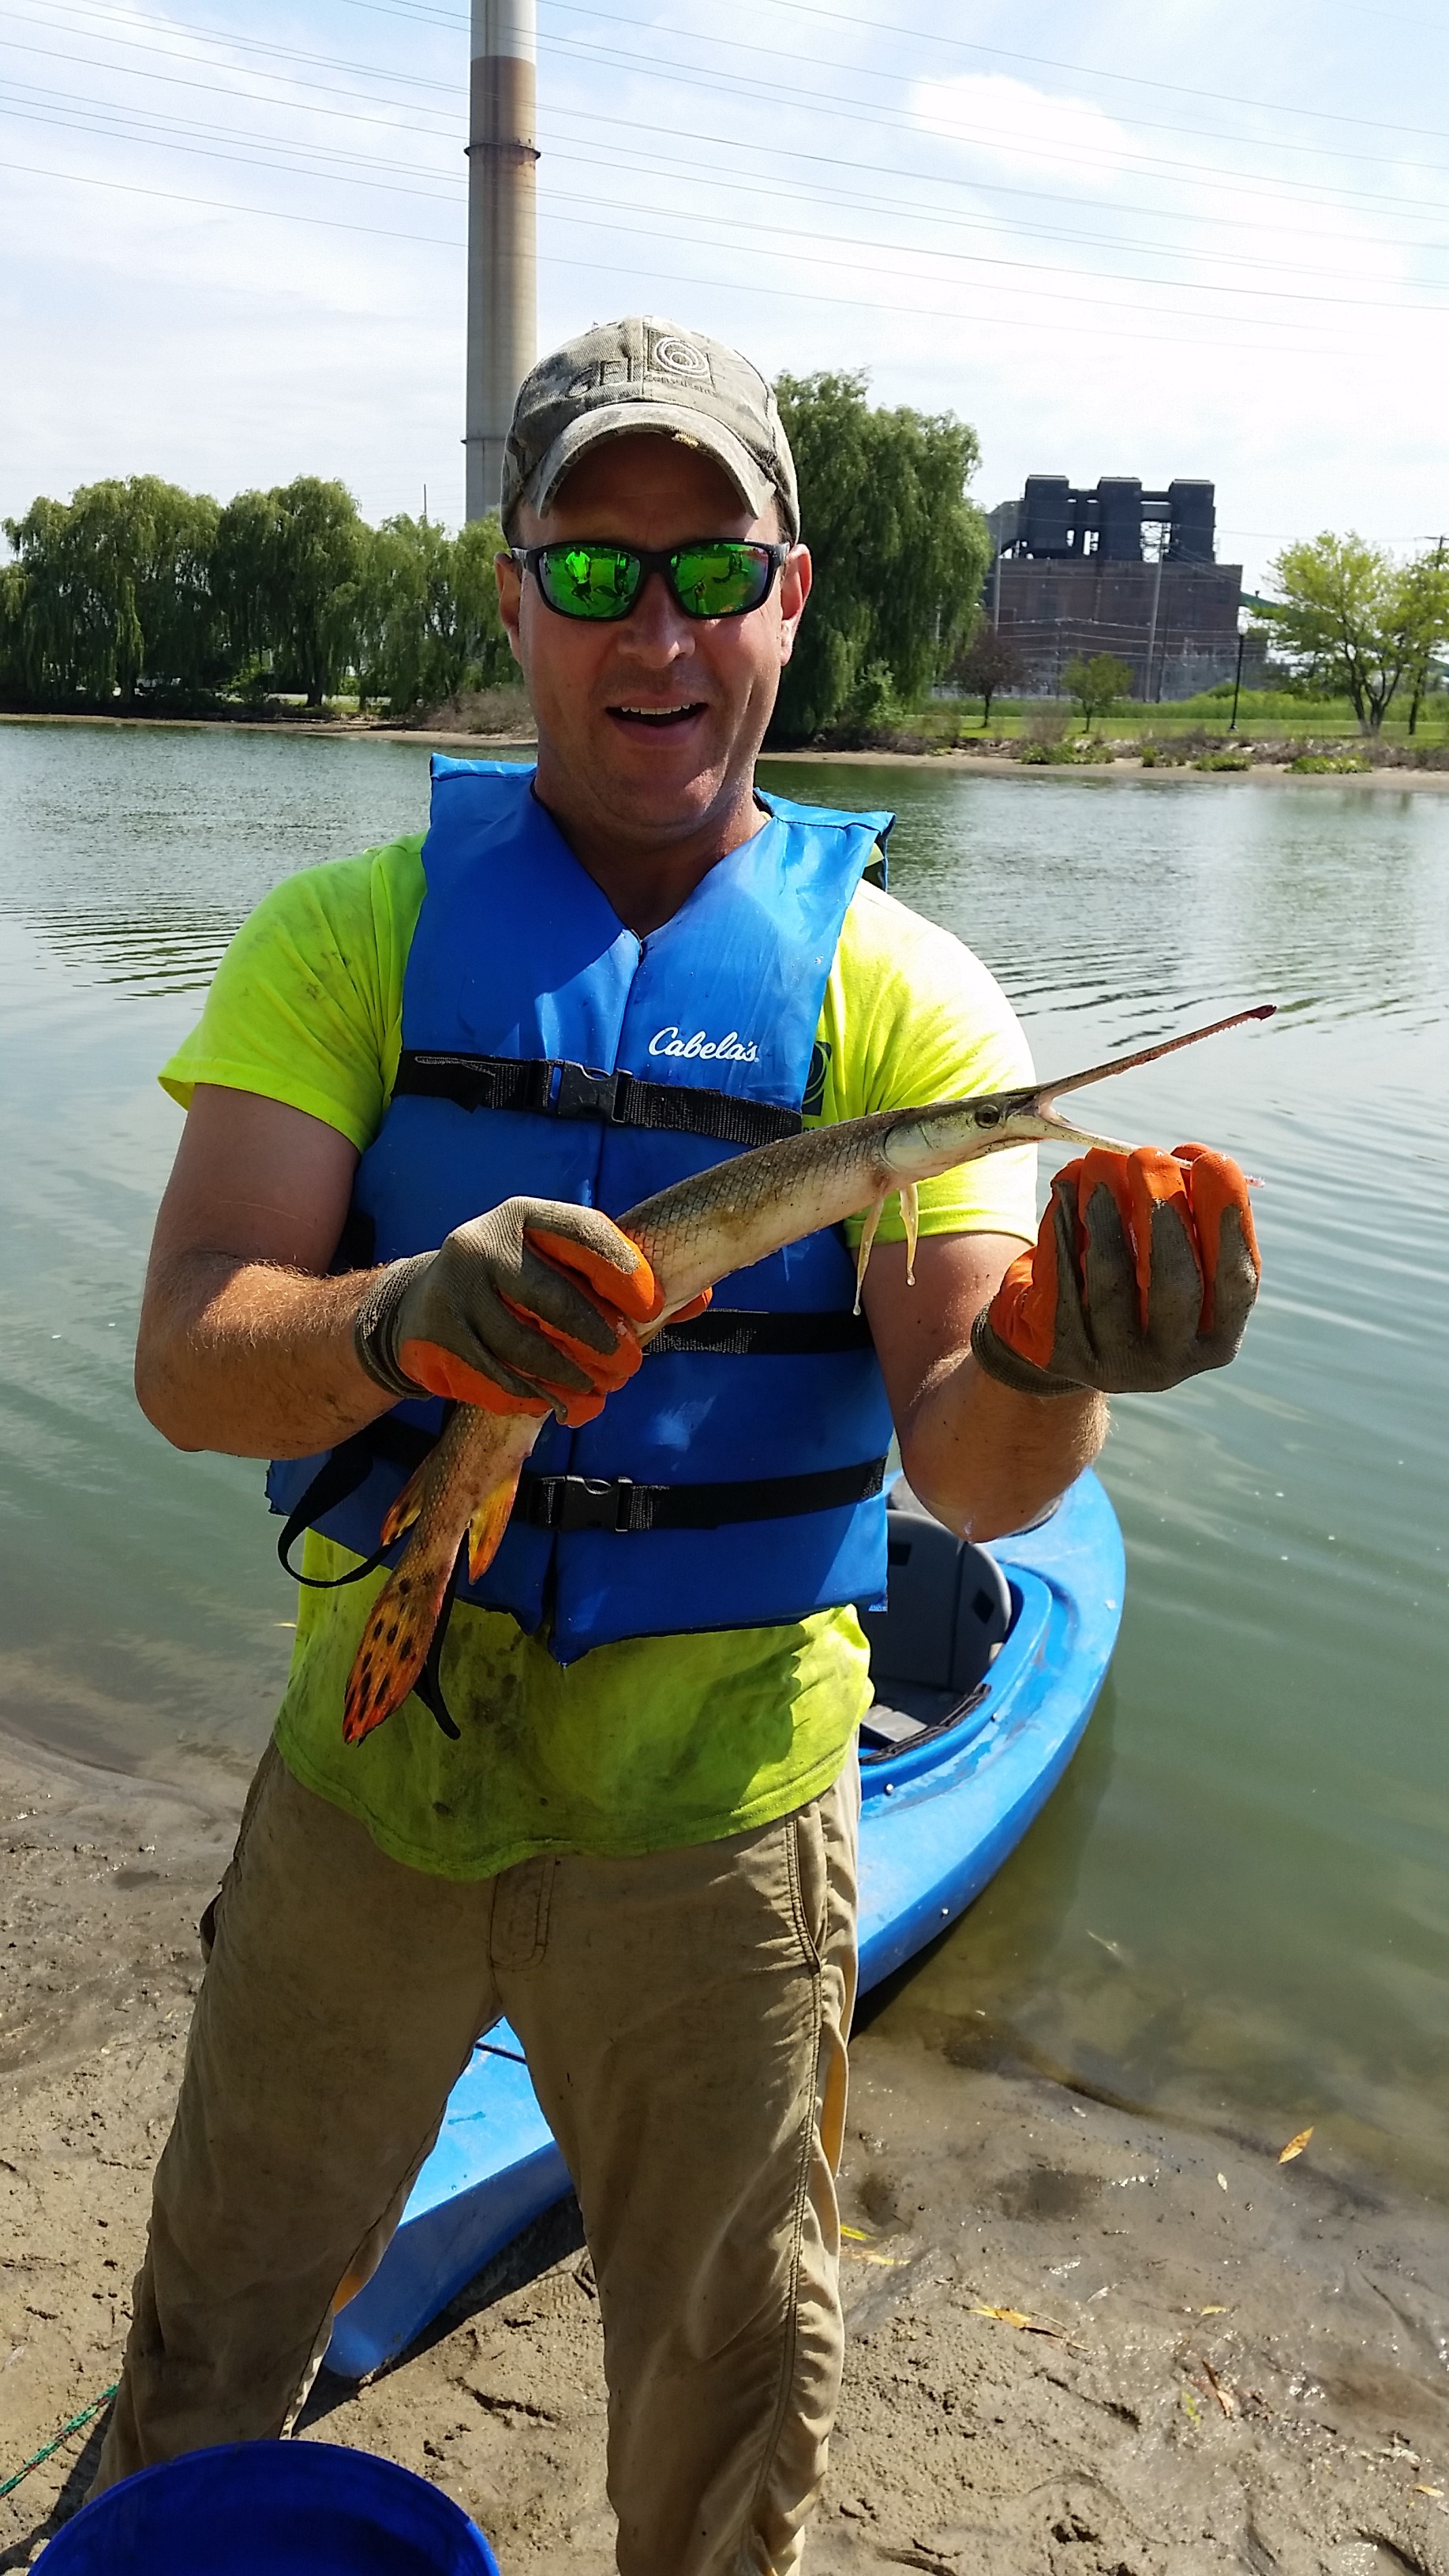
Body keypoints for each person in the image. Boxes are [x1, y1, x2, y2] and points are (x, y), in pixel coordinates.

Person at [94, 317, 1259, 2571]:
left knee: (727, 2408)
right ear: (513, 594)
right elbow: (188, 1362)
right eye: (596, 569)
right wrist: (399, 1320)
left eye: (715, 573)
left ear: (788, 600)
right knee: (215, 2325)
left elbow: (979, 1477)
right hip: (370, 1773)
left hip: (725, 1816)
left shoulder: (905, 1002)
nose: (660, 633)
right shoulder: (346, 942)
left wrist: (1059, 1357)